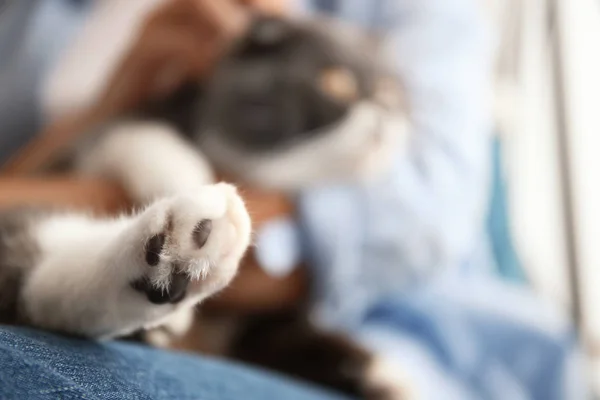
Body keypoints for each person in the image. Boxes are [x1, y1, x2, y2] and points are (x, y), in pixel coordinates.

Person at [0, 0, 591, 399]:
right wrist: (105, 111)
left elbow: (416, 217)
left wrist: (189, 213)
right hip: (58, 276)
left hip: (371, 341)